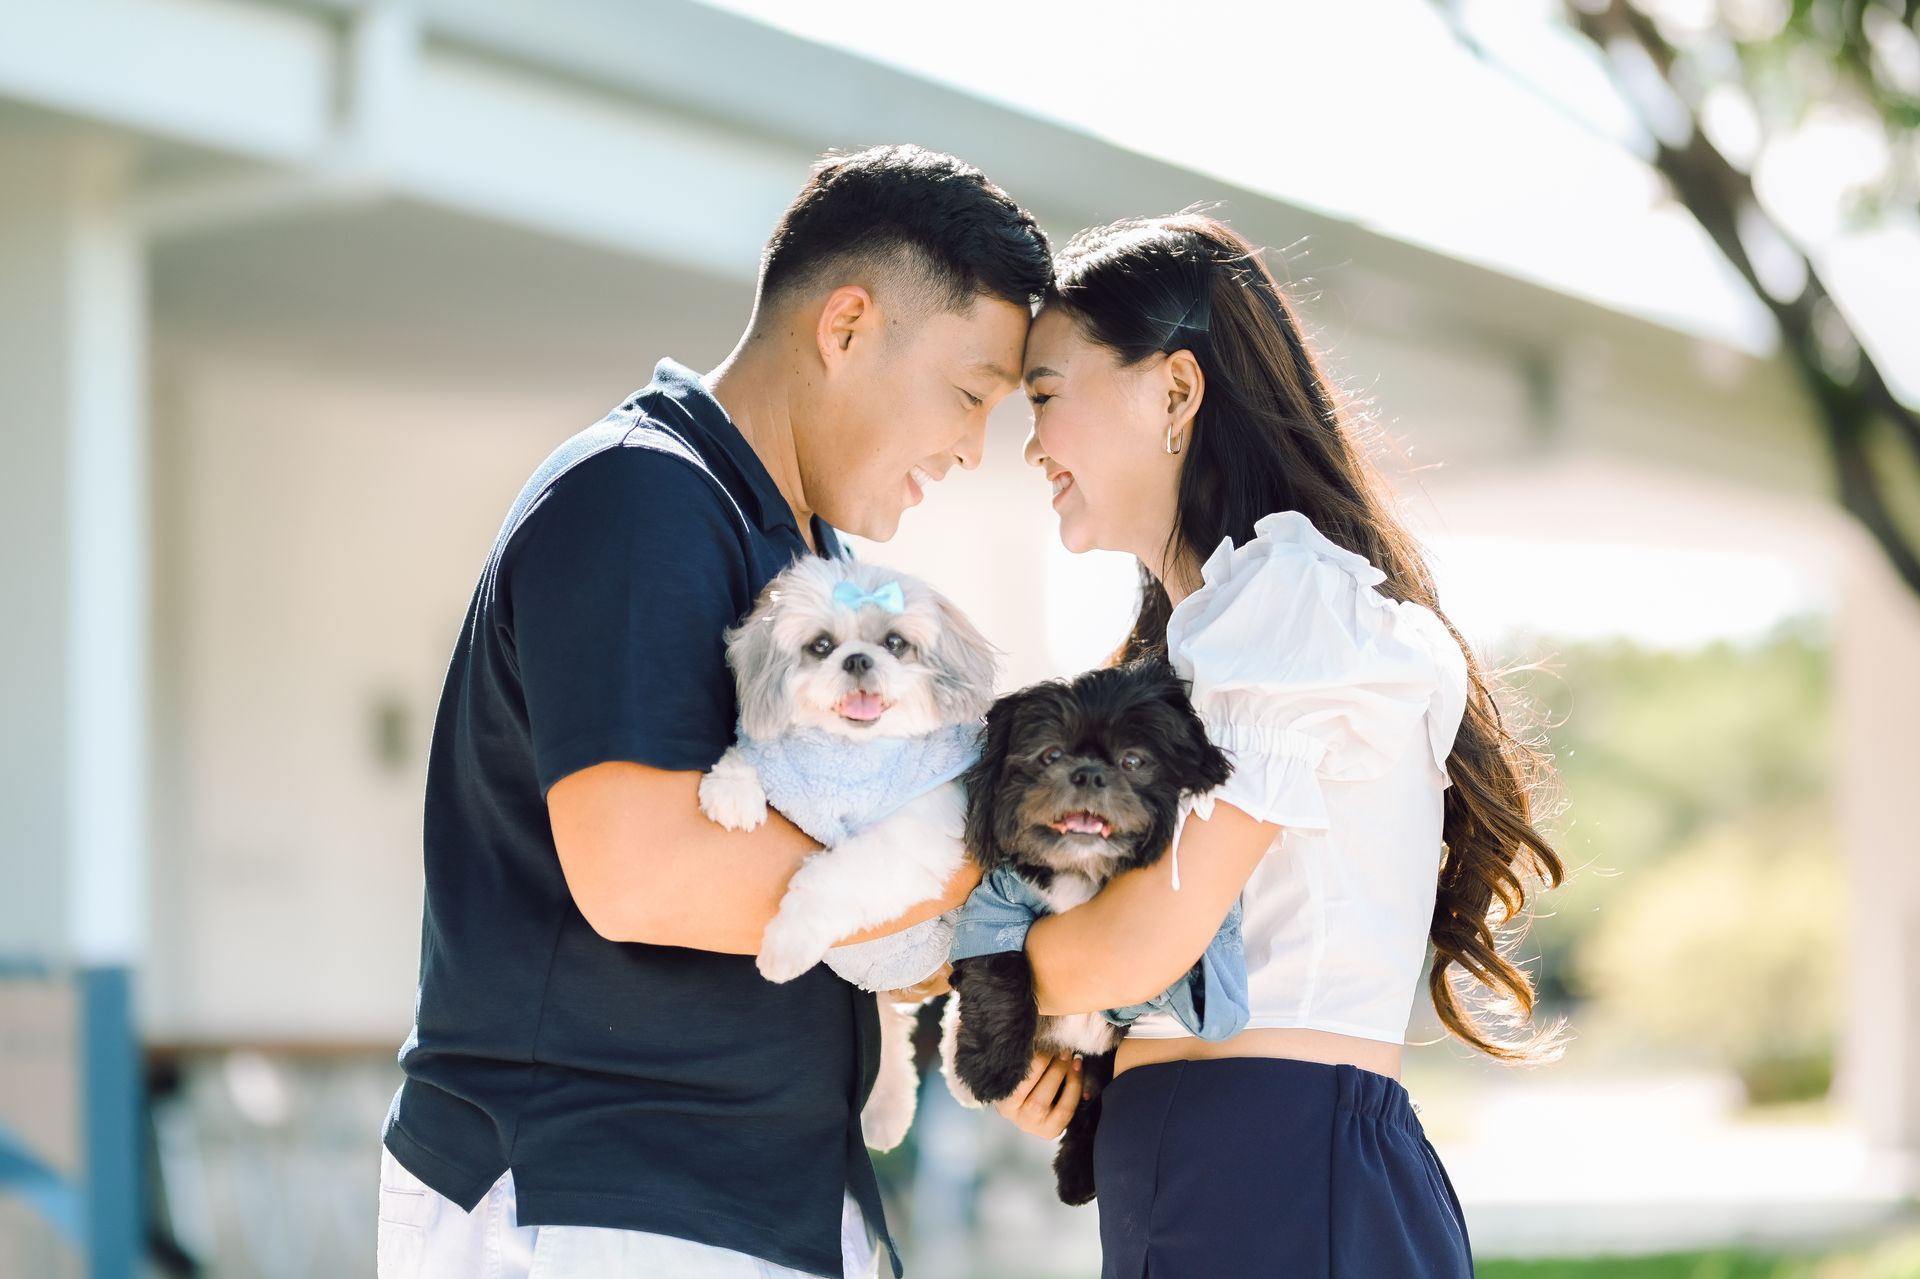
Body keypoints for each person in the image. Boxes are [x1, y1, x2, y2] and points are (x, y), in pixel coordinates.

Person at [375, 144, 1050, 1279]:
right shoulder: (640, 496)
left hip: (754, 1200)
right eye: (971, 393)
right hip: (596, 1197)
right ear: (847, 326)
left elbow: (838, 887)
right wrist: (967, 858)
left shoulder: (812, 562)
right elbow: (647, 872)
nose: (973, 449)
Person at [1001, 211, 1570, 1277]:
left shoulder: (1287, 606)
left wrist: (964, 968)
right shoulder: (1219, 636)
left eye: (1043, 395)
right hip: (1213, 1168)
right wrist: (1078, 1063)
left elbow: (1136, 946)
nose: (1030, 443)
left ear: (1176, 391)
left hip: (1273, 1171)